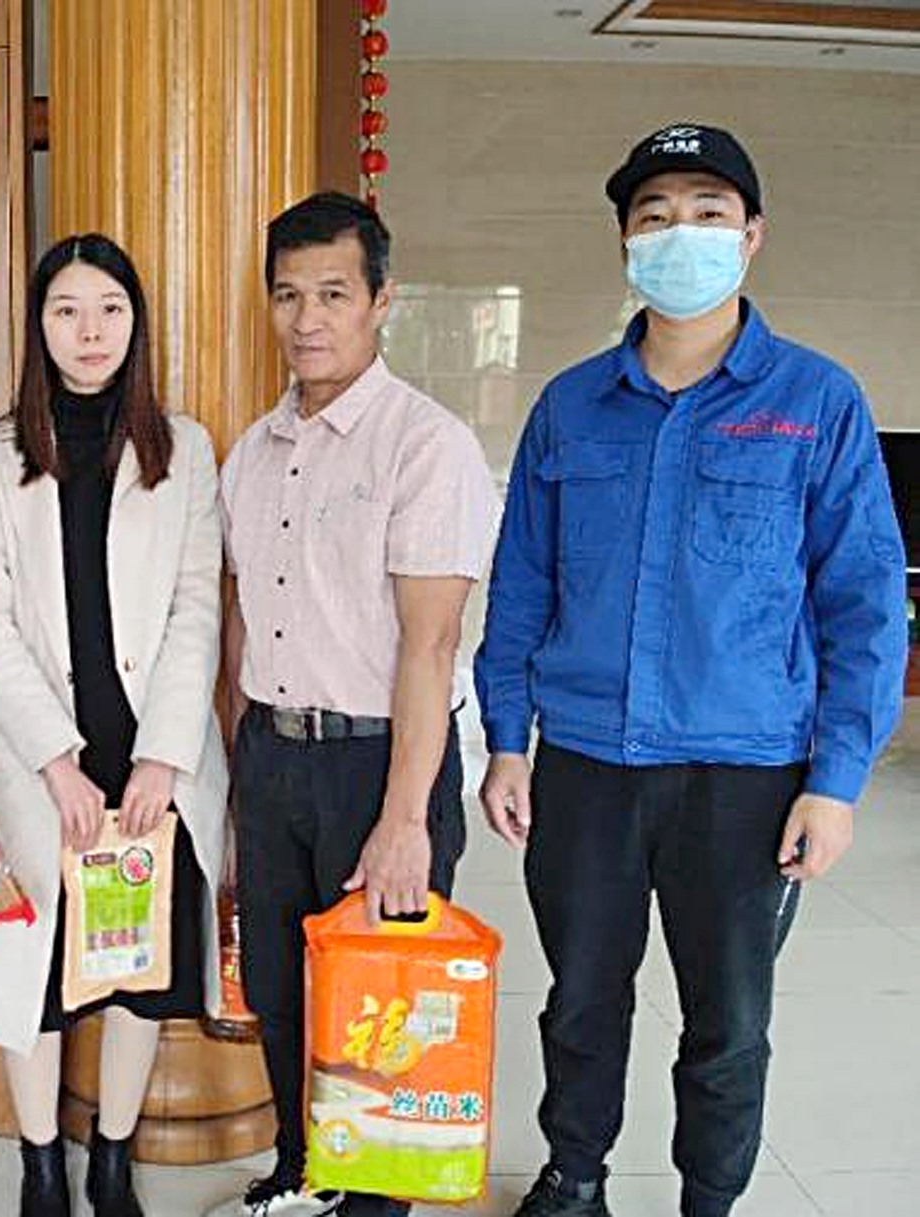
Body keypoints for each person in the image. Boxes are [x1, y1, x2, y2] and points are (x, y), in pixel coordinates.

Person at [475, 124, 909, 1217]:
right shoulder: (571, 405)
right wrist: (506, 740)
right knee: (581, 1001)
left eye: (708, 213)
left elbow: (863, 606)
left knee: (727, 1021)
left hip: (746, 774)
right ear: (625, 242)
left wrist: (835, 781)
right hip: (586, 763)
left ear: (751, 235)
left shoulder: (815, 402)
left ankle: (708, 1200)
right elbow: (520, 585)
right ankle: (574, 1176)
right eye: (655, 215)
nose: (682, 234)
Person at [0, 234, 228, 1217]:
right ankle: (41, 1162)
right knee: (38, 973)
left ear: (135, 323)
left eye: (109, 309)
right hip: (31, 753)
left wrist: (163, 758)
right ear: (38, 325)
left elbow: (195, 608)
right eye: (66, 310)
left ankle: (112, 1157)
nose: (89, 331)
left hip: (152, 753)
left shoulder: (183, 448)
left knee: (141, 967)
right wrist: (56, 761)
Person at [216, 192, 499, 1217]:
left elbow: (431, 644)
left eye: (334, 293)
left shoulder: (424, 445)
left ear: (382, 300)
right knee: (281, 990)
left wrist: (404, 817)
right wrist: (238, 774)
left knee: (382, 1001)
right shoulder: (250, 452)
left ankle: (374, 1204)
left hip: (379, 762)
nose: (308, 319)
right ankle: (302, 1170)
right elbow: (241, 619)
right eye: (288, 295)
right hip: (272, 753)